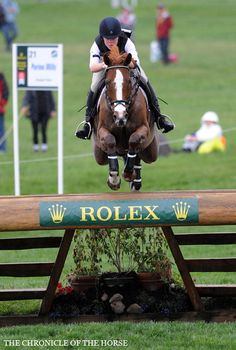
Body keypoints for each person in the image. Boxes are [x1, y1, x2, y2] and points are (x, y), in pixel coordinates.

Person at [76, 16, 174, 140]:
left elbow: (135, 62)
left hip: (126, 66)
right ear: (102, 37)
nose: (110, 42)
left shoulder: (126, 41)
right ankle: (88, 123)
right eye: (107, 39)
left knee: (144, 79)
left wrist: (123, 62)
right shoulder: (97, 44)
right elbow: (92, 67)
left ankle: (159, 117)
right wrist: (106, 64)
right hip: (105, 67)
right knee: (94, 86)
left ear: (118, 36)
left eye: (113, 38)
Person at [0, 72, 9, 153]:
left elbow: (6, 93)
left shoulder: (1, 79)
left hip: (0, 109)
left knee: (1, 129)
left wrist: (2, 102)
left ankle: (2, 148)